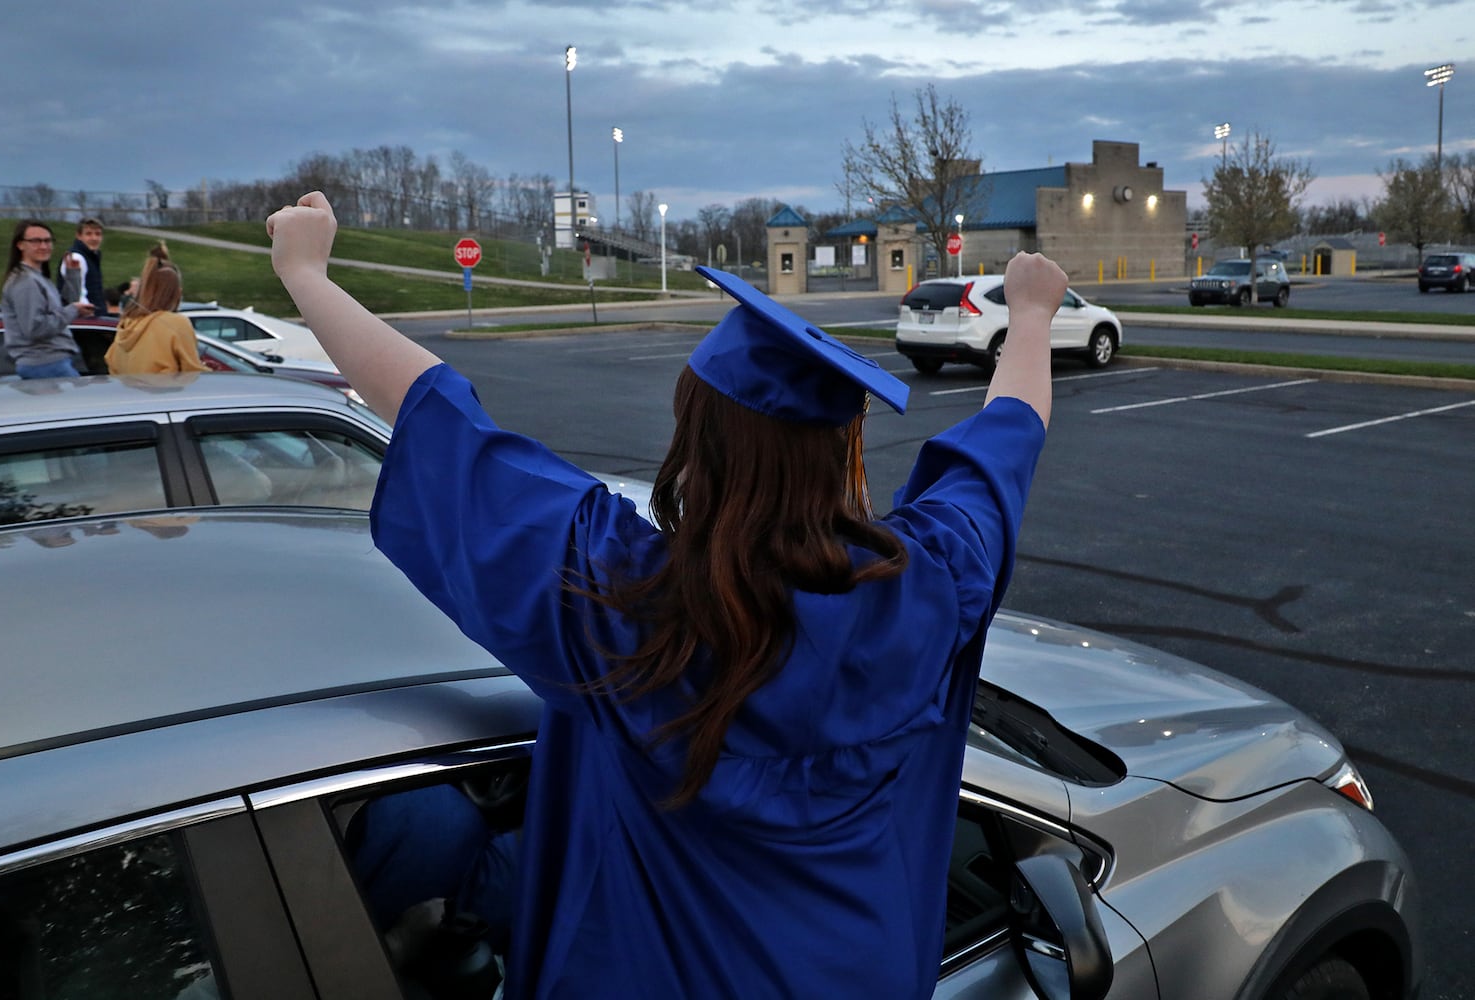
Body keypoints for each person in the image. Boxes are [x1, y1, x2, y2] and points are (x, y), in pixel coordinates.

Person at [267, 191, 1062, 998]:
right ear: (841, 456)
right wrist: (1028, 316)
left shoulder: (621, 598)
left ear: (694, 443)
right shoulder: (930, 586)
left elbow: (438, 421)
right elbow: (1005, 443)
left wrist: (306, 272)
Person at [0, 220, 93, 380]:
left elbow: (61, 308)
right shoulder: (25, 282)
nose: (44, 246)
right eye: (36, 241)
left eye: (48, 240)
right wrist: (73, 310)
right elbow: (35, 329)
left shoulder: (37, 277)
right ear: (20, 245)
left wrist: (73, 275)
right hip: (45, 364)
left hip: (52, 362)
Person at [106, 247, 208, 374]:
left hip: (129, 392)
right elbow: (193, 372)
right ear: (176, 293)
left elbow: (112, 364)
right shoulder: (176, 323)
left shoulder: (127, 324)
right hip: (165, 392)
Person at [57, 217, 108, 317]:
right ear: (79, 236)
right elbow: (76, 294)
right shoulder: (77, 258)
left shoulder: (90, 257)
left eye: (97, 234)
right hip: (85, 318)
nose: (94, 238)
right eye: (88, 234)